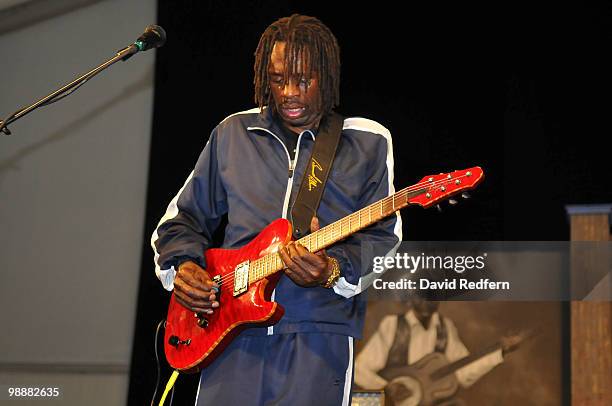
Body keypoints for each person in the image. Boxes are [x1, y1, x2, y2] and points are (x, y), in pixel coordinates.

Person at [151, 14, 401, 405]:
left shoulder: (367, 142)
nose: (288, 92)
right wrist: (184, 267)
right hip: (227, 332)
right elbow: (181, 220)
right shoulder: (233, 133)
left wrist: (332, 270)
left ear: (328, 75)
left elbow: (384, 239)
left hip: (318, 336)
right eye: (278, 78)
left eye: (304, 80)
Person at [354, 297, 525, 406]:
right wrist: (385, 387)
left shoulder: (445, 328)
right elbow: (359, 369)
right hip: (387, 401)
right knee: (360, 403)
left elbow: (463, 373)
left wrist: (500, 352)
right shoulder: (393, 325)